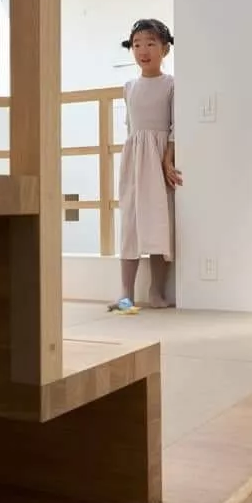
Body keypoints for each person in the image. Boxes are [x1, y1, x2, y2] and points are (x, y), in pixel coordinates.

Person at [109, 19, 182, 313]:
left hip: (158, 158)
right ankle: (125, 294)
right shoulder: (129, 87)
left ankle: (156, 292)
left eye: (151, 44)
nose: (143, 50)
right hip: (134, 159)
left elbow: (176, 126)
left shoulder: (172, 84)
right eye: (137, 44)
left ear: (164, 49)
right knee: (130, 225)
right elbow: (131, 128)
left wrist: (167, 158)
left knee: (158, 224)